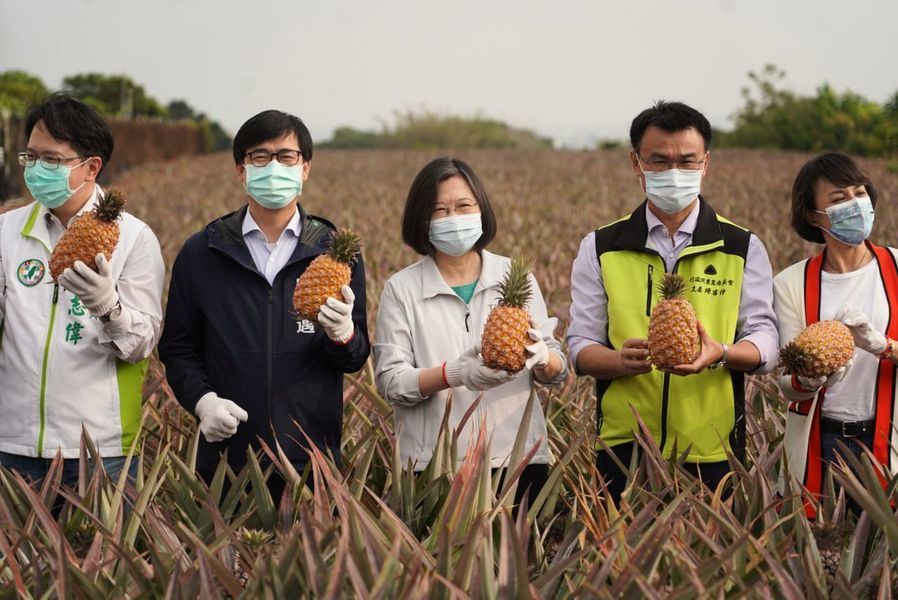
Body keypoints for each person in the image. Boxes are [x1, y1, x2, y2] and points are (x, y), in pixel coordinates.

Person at [566, 101, 779, 503]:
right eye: (659, 161)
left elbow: (765, 338)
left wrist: (722, 353)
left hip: (712, 446)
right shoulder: (601, 246)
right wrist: (616, 361)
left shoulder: (740, 246)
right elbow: (579, 345)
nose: (673, 173)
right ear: (636, 163)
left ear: (706, 164)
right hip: (621, 445)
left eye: (687, 161)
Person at [159, 110, 369, 502]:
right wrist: (203, 403)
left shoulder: (335, 252)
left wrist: (344, 335)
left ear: (305, 168)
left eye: (286, 157)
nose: (274, 166)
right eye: (260, 157)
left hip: (313, 461)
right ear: (241, 170)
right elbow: (178, 349)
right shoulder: (202, 251)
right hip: (223, 463)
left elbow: (355, 357)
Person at [374, 157, 568, 508]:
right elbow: (391, 382)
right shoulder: (401, 288)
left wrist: (544, 359)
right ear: (422, 219)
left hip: (518, 462)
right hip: (433, 469)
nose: (454, 218)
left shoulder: (515, 277)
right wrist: (456, 373)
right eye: (439, 210)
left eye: (464, 206)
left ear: (481, 209)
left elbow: (557, 372)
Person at [0, 93, 164, 486]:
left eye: (52, 159)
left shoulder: (134, 237)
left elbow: (143, 344)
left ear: (91, 167)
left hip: (98, 448)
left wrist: (109, 308)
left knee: (98, 550)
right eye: (31, 157)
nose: (37, 168)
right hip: (12, 442)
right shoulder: (6, 230)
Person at [773, 152, 898, 517]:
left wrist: (883, 346)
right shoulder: (791, 283)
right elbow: (786, 383)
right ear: (813, 215)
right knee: (822, 549)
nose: (855, 204)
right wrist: (810, 378)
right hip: (823, 440)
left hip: (888, 438)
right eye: (839, 199)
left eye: (859, 193)